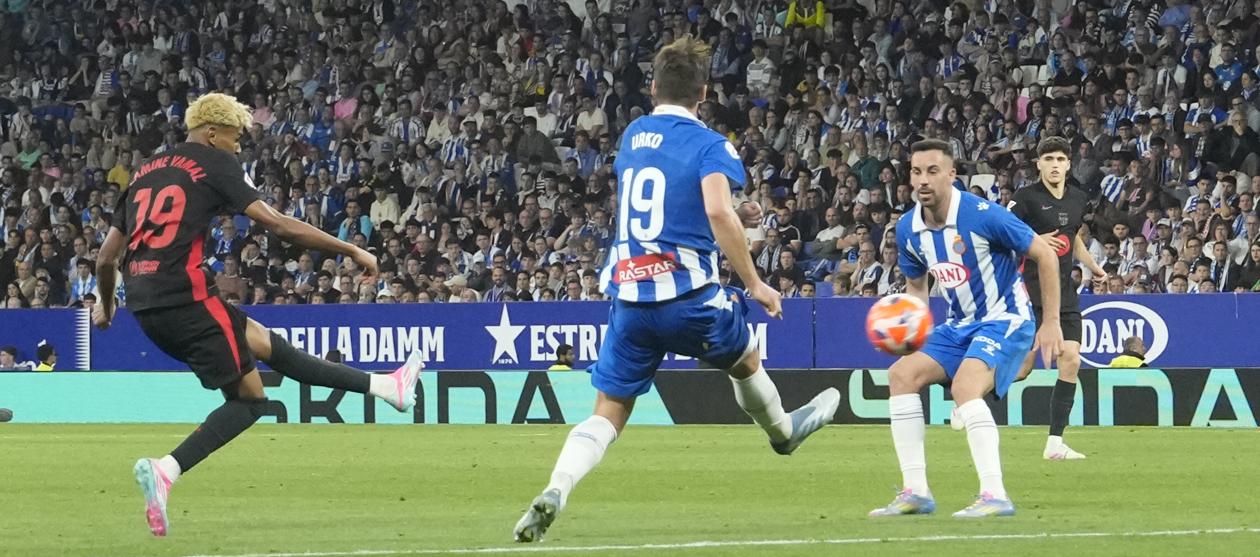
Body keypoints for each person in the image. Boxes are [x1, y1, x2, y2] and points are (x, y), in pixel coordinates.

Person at [513, 38, 840, 543]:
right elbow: (712, 209)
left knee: (609, 411)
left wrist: (736, 208)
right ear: (704, 93)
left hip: (630, 298)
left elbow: (672, 203)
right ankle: (783, 433)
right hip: (688, 298)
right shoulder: (712, 144)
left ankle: (557, 487)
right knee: (745, 359)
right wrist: (754, 282)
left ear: (652, 88)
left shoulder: (634, 135)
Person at [92, 93, 424, 538]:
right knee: (250, 400)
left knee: (267, 344)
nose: (237, 147)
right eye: (234, 137)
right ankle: (166, 468)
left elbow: (105, 259)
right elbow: (279, 223)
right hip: (187, 297)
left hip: (146, 303)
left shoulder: (144, 173)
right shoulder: (214, 164)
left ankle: (387, 386)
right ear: (212, 132)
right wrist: (350, 248)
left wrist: (107, 307)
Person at [869, 139, 1063, 519]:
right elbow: (917, 288)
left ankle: (994, 494)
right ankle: (916, 492)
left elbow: (1044, 253)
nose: (922, 180)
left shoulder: (983, 214)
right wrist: (911, 334)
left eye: (932, 171)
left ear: (952, 175)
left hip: (1006, 317)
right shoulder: (908, 228)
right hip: (959, 325)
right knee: (901, 375)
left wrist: (1051, 321)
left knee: (965, 387)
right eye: (916, 171)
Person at [1006, 137, 1108, 461]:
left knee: (1072, 359)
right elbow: (1002, 234)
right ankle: (968, 398)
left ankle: (1055, 442)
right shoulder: (1024, 199)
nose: (1053, 164)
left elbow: (1073, 237)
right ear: (1038, 164)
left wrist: (1093, 266)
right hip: (1030, 291)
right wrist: (1032, 241)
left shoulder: (1079, 198)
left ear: (1068, 163)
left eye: (1059, 159)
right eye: (1047, 158)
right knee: (1023, 369)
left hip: (1065, 292)